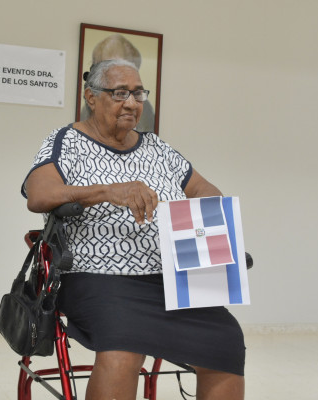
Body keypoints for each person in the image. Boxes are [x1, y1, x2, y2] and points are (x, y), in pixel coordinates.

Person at [22, 60, 245, 400]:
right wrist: (108, 191)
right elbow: (39, 195)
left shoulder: (157, 148)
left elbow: (204, 189)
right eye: (120, 93)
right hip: (98, 277)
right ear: (91, 97)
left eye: (138, 94)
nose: (131, 102)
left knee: (224, 341)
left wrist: (200, 221)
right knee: (123, 348)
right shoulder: (67, 141)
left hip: (171, 279)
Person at [79, 34, 156, 133]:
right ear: (91, 97)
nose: (131, 104)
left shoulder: (145, 109)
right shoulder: (85, 113)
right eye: (120, 93)